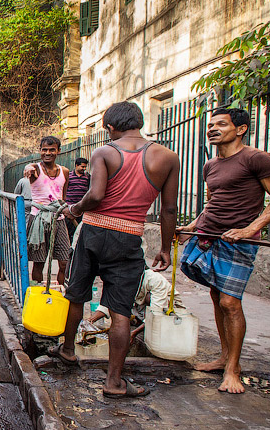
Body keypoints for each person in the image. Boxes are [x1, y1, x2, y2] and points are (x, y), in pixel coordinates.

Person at [56, 102, 180, 398]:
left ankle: (68, 350)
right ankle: (113, 382)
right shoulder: (168, 157)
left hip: (94, 232)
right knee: (120, 310)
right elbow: (169, 209)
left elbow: (96, 195)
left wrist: (74, 209)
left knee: (77, 295)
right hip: (129, 237)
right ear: (139, 122)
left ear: (110, 127)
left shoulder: (105, 152)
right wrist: (165, 248)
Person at [177, 107, 270, 394]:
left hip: (238, 242)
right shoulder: (210, 165)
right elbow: (213, 203)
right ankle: (224, 357)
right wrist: (191, 225)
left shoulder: (256, 158)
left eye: (221, 124)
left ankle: (233, 369)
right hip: (209, 236)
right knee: (217, 296)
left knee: (230, 302)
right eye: (211, 124)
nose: (213, 129)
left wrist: (250, 229)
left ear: (240, 129)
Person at [23, 136, 70, 285]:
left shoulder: (64, 172)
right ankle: (39, 292)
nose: (47, 153)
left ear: (58, 151)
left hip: (58, 219)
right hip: (38, 219)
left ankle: (60, 292)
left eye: (51, 150)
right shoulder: (36, 169)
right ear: (40, 151)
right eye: (44, 150)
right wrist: (28, 167)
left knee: (64, 262)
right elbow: (30, 167)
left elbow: (63, 198)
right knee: (39, 262)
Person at [88, 268, 185, 326]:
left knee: (147, 299)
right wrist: (90, 321)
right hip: (141, 314)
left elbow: (155, 313)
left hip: (169, 316)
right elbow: (110, 302)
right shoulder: (122, 279)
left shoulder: (154, 280)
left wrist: (133, 334)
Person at [64, 157, 90, 240]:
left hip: (81, 208)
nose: (84, 169)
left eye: (85, 167)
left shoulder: (87, 177)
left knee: (80, 229)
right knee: (69, 229)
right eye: (82, 166)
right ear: (76, 165)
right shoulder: (69, 176)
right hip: (70, 208)